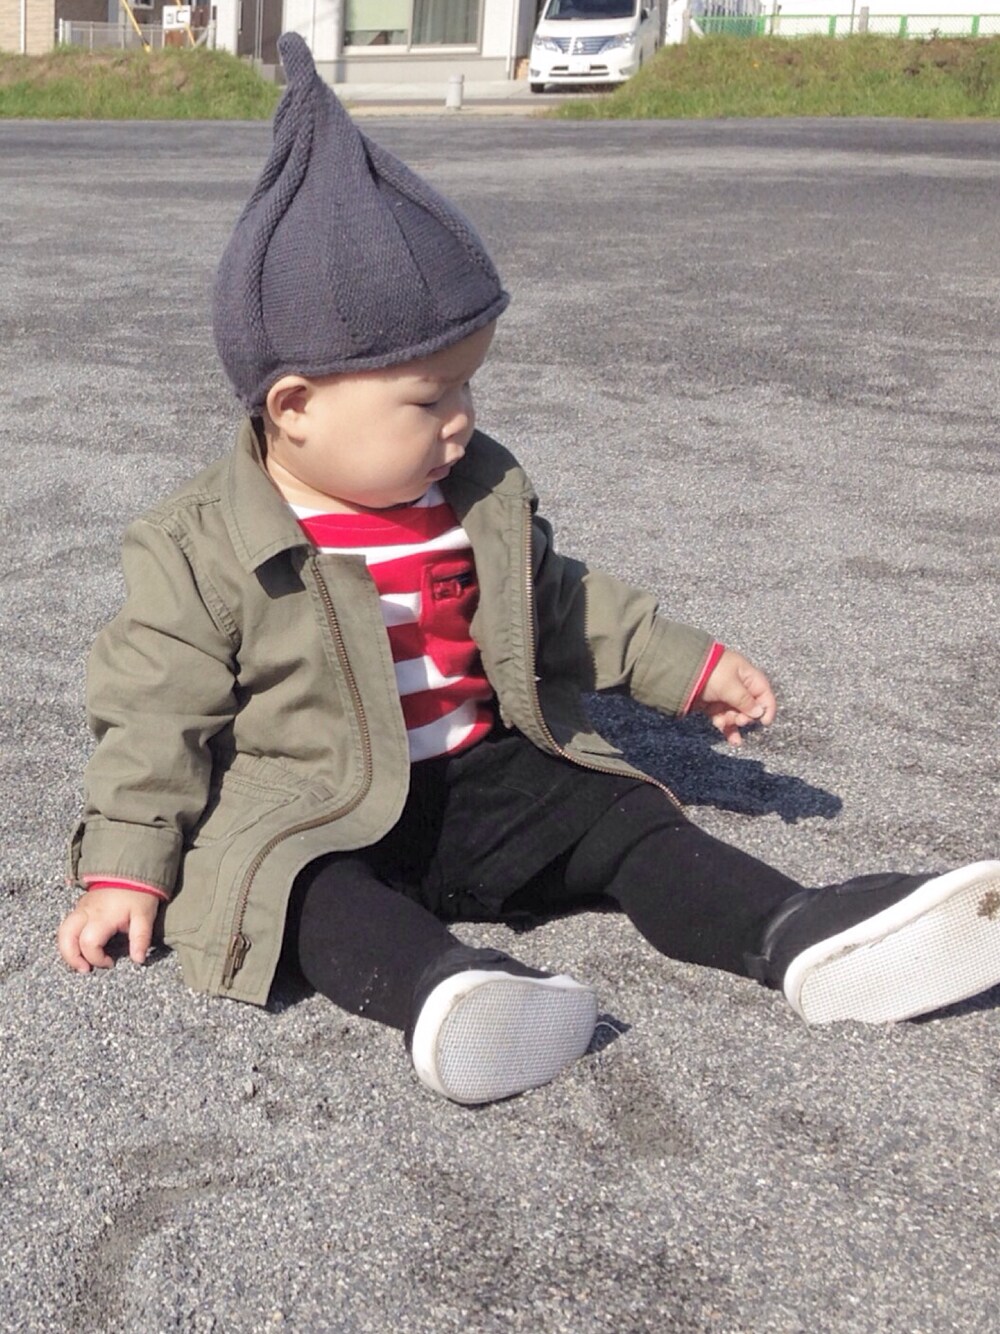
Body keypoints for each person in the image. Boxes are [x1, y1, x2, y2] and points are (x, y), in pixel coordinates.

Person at [57, 34, 1000, 1106]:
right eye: (429, 397)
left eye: (470, 386)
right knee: (299, 893)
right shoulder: (198, 544)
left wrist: (687, 668)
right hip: (320, 807)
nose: (462, 420)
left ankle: (796, 932)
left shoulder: (473, 499)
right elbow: (152, 714)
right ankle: (451, 991)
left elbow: (562, 607)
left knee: (627, 819)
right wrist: (126, 866)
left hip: (485, 778)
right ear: (296, 405)